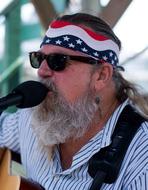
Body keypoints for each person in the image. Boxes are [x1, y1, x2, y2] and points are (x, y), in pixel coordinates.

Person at [0, 13, 148, 190]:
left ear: (101, 75)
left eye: (58, 61)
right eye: (38, 59)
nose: (42, 71)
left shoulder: (141, 160)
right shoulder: (31, 119)